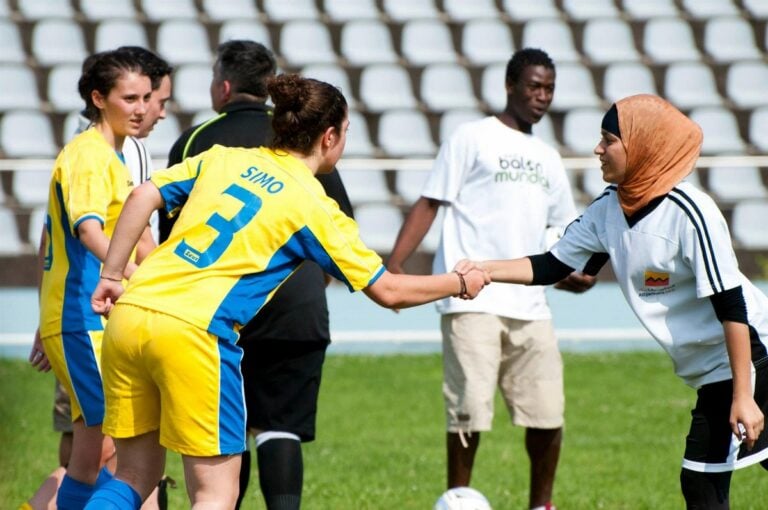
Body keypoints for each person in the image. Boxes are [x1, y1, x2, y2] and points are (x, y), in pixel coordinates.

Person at [85, 74, 490, 509]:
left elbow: (144, 194)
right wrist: (461, 282)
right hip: (194, 333)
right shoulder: (314, 206)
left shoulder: (224, 159)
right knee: (215, 495)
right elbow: (388, 291)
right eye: (346, 133)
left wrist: (111, 274)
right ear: (329, 136)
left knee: (132, 475)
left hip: (131, 313)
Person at [465, 93, 768, 509]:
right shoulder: (610, 207)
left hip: (752, 357)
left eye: (608, 139)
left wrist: (744, 394)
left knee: (701, 483)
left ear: (642, 146)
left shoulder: (691, 211)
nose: (597, 149)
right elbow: (553, 265)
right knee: (702, 485)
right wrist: (485, 270)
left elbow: (731, 307)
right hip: (717, 369)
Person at [387, 48, 597, 510]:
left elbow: (558, 233)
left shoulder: (548, 156)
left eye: (549, 88)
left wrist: (569, 274)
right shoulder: (472, 137)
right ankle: (458, 499)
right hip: (471, 300)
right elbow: (430, 202)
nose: (542, 96)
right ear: (510, 86)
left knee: (547, 415)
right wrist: (397, 267)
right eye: (533, 86)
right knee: (467, 415)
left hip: (531, 305)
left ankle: (542, 505)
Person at [162, 40, 351, 510]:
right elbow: (341, 223)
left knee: (230, 428)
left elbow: (172, 234)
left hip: (220, 306)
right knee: (280, 423)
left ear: (223, 86)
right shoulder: (298, 135)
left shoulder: (194, 140)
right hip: (298, 304)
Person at [23, 47, 174, 510]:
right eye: (130, 98)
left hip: (86, 316)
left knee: (93, 451)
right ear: (98, 98)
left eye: (147, 97)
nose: (143, 108)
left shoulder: (112, 158)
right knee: (121, 444)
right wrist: (128, 274)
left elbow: (137, 239)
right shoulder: (88, 155)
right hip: (83, 316)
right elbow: (88, 229)